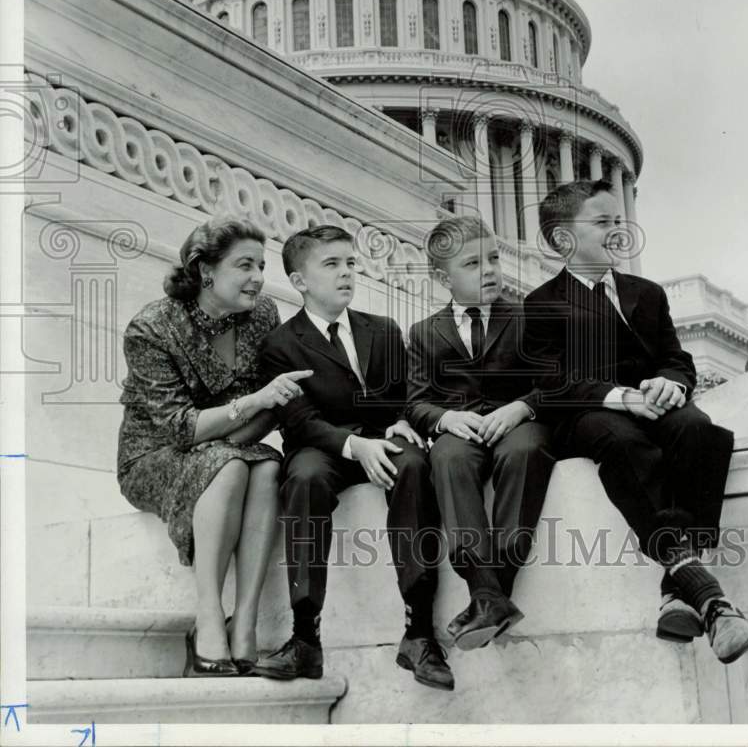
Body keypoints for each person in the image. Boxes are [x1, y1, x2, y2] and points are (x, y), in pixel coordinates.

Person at [523, 179, 748, 664]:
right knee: (624, 442)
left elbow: (677, 360)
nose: (618, 231)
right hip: (590, 417)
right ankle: (707, 593)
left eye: (618, 221)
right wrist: (620, 397)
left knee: (700, 430)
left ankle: (680, 588)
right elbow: (551, 384)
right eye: (602, 222)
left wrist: (672, 382)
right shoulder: (542, 303)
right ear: (563, 239)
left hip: (655, 407)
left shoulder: (646, 294)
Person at [258, 225, 453, 691]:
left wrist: (402, 420)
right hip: (323, 449)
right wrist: (354, 446)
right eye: (332, 265)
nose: (347, 273)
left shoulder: (383, 330)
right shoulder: (280, 346)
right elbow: (299, 422)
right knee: (302, 477)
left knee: (412, 463)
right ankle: (305, 638)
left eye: (350, 263)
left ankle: (420, 632)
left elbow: (406, 396)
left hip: (382, 438)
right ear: (299, 280)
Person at [118, 215, 312, 678]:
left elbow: (276, 401)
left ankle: (243, 624)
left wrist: (253, 411)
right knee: (228, 465)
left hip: (233, 446)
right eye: (245, 265)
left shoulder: (262, 314)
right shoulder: (150, 328)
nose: (258, 278)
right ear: (205, 270)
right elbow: (178, 428)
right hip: (153, 454)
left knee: (267, 467)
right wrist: (255, 403)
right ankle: (207, 618)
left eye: (261, 266)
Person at [406, 216, 554, 650]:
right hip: (461, 430)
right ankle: (486, 589)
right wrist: (445, 419)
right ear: (442, 277)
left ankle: (490, 592)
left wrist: (521, 408)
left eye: (493, 258)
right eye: (472, 263)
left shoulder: (528, 318)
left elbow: (556, 383)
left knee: (525, 453)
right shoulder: (424, 332)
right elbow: (415, 402)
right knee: (446, 458)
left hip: (519, 424)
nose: (489, 270)